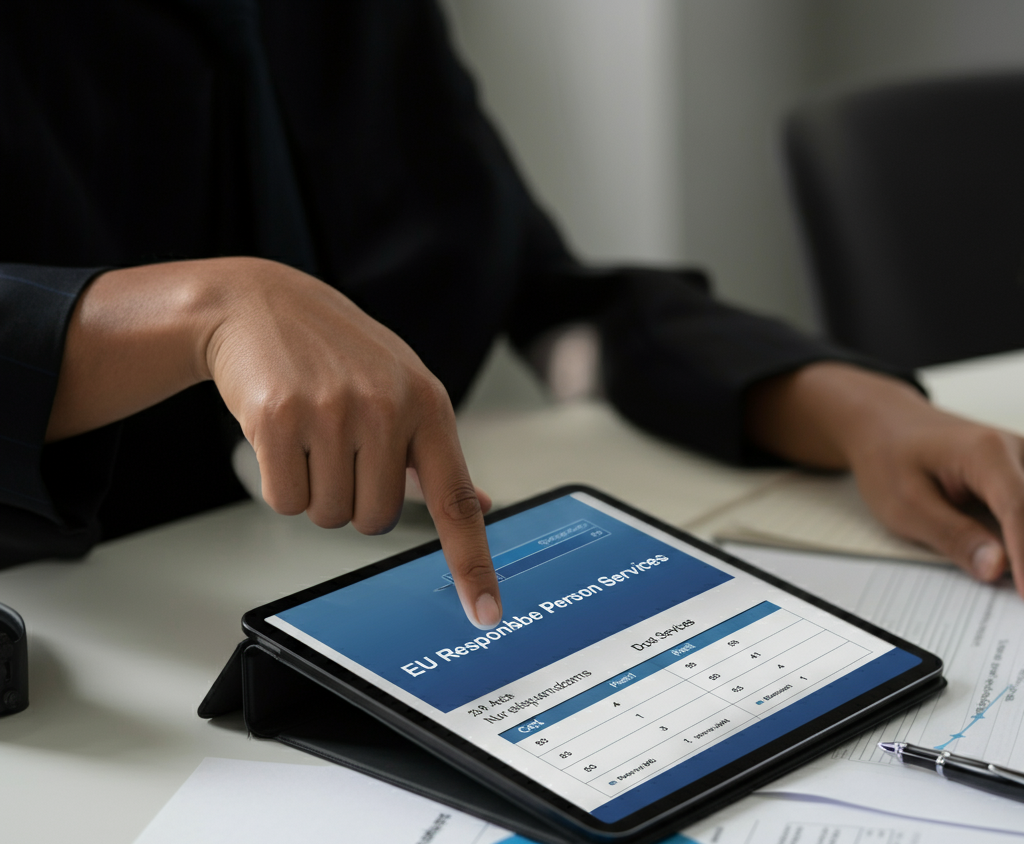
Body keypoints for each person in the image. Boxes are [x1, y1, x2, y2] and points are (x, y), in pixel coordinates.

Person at [2, 1, 1023, 631]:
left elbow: (552, 297)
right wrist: (202, 308)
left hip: (370, 602)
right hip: (91, 648)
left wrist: (860, 411)